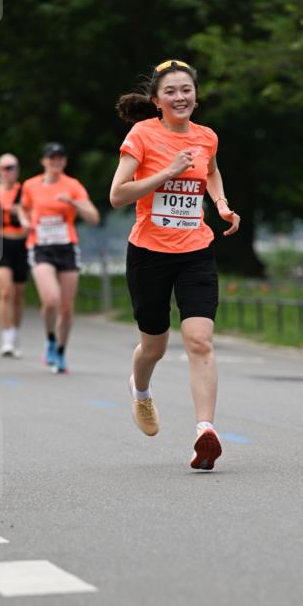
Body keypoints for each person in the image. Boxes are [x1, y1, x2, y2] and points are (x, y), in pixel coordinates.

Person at [109, 58, 240, 470]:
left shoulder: (206, 138)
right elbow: (117, 194)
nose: (180, 97)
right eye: (171, 91)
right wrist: (166, 172)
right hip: (149, 253)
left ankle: (205, 431)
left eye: (186, 90)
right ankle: (141, 392)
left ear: (195, 96)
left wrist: (220, 204)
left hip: (195, 251)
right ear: (156, 100)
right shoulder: (142, 134)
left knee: (200, 340)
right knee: (154, 345)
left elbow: (212, 172)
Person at [19, 143, 100, 373]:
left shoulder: (73, 186)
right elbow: (22, 208)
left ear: (64, 162)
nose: (56, 162)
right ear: (43, 161)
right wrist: (25, 221)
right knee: (51, 299)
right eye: (52, 158)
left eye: (60, 158)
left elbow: (93, 217)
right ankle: (51, 339)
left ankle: (61, 351)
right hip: (40, 246)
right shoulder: (30, 185)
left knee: (66, 306)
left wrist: (74, 203)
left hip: (66, 247)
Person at [0, 154, 29, 357]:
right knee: (5, 292)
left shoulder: (25, 192)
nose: (9, 171)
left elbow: (33, 218)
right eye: (5, 167)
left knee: (18, 295)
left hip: (21, 244)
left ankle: (15, 332)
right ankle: (6, 339)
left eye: (13, 167)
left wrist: (22, 214)